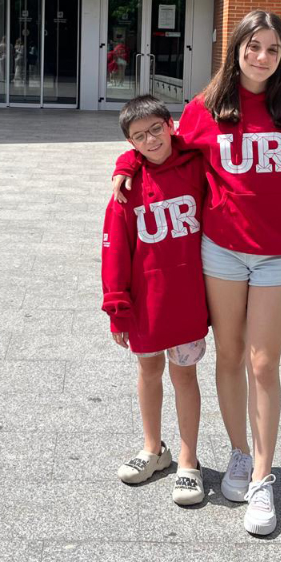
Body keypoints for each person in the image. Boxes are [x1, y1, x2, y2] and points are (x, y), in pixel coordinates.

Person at [112, 9, 281, 536]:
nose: (262, 57)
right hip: (222, 250)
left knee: (263, 362)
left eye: (273, 49)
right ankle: (239, 453)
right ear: (237, 49)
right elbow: (161, 146)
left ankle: (263, 481)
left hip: (277, 253)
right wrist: (127, 165)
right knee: (228, 355)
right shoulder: (208, 108)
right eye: (254, 47)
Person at [101, 94, 210, 507]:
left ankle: (187, 461)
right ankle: (153, 449)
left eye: (155, 129)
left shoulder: (198, 166)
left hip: (187, 299)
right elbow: (115, 250)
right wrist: (117, 308)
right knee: (149, 372)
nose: (150, 140)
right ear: (130, 144)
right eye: (138, 137)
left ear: (170, 124)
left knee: (185, 376)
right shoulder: (127, 186)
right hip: (146, 301)